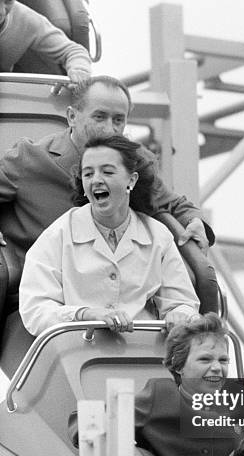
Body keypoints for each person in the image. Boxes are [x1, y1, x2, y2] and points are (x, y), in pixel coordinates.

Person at [0, 74, 213, 266]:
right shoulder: (30, 158)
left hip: (115, 282)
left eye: (118, 120)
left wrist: (194, 221)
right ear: (72, 117)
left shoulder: (136, 161)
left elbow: (172, 203)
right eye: (99, 117)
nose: (110, 129)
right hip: (42, 286)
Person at [19, 134, 200, 336]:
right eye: (88, 174)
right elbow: (35, 310)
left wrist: (179, 314)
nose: (96, 180)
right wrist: (84, 315)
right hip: (76, 352)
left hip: (142, 350)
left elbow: (183, 303)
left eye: (107, 172)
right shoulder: (58, 234)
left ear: (131, 180)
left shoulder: (158, 235)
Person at [135, 312, 236, 456]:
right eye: (205, 360)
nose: (217, 368)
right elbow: (89, 422)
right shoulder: (160, 395)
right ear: (179, 365)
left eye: (223, 360)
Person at [0, 0, 91, 82]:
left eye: (8, 1)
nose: (1, 12)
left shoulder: (25, 18)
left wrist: (79, 70)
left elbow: (73, 51)